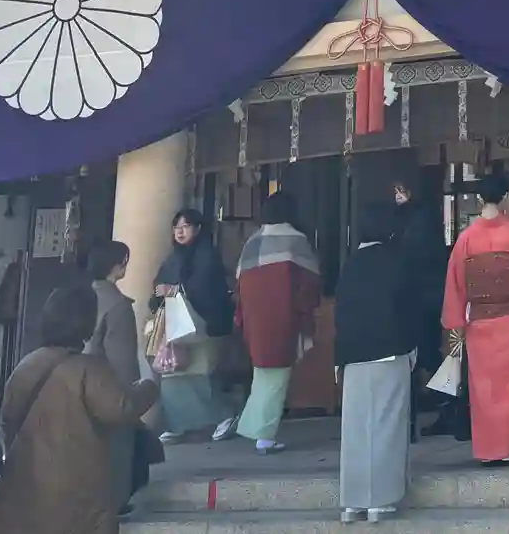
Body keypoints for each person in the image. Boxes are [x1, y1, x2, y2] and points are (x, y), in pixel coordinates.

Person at [0, 282, 159, 534]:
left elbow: (8, 419)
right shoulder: (87, 369)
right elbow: (123, 407)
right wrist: (149, 385)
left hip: (24, 486)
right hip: (76, 489)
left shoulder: (25, 365)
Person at [441, 173, 509, 465]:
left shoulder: (466, 238)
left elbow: (455, 283)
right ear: (505, 197)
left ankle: (488, 450)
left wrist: (456, 323)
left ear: (479, 198)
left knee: (484, 388)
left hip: (480, 321)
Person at [335, 203, 419, 523]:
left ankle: (352, 501)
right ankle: (379, 500)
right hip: (389, 351)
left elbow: (340, 315)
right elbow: (408, 308)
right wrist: (413, 348)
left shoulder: (350, 264)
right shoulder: (397, 261)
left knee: (355, 429)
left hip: (352, 357)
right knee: (387, 425)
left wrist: (338, 358)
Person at [232, 191, 321, 454]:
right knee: (277, 377)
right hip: (283, 317)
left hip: (255, 319)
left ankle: (252, 427)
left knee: (263, 374)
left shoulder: (252, 241)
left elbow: (239, 284)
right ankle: (264, 436)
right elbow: (310, 282)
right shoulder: (296, 240)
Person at [150, 208, 233, 444]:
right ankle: (176, 424)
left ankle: (224, 416)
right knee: (172, 373)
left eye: (185, 226)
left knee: (199, 375)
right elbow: (160, 282)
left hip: (203, 324)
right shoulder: (173, 257)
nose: (180, 232)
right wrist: (160, 292)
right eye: (176, 227)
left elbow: (207, 287)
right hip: (176, 326)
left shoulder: (207, 255)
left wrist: (175, 289)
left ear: (197, 229)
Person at [85, 240, 146, 514]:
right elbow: (122, 362)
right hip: (107, 385)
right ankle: (115, 500)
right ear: (115, 264)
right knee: (117, 446)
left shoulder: (83, 297)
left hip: (77, 381)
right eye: (123, 260)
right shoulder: (118, 305)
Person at [391, 175, 449, 384]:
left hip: (417, 293)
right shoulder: (427, 216)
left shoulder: (411, 219)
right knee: (429, 348)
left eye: (400, 191)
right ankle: (438, 393)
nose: (397, 196)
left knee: (417, 349)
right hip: (431, 293)